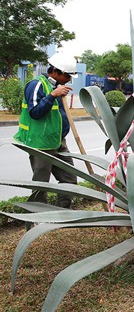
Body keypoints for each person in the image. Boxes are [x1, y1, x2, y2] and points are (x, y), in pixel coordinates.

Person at [14, 52, 79, 208]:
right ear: (56, 72)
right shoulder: (36, 85)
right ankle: (36, 215)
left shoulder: (57, 87)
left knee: (69, 178)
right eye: (67, 75)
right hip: (41, 143)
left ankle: (62, 213)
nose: (69, 79)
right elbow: (35, 112)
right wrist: (52, 95)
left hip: (57, 141)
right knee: (41, 184)